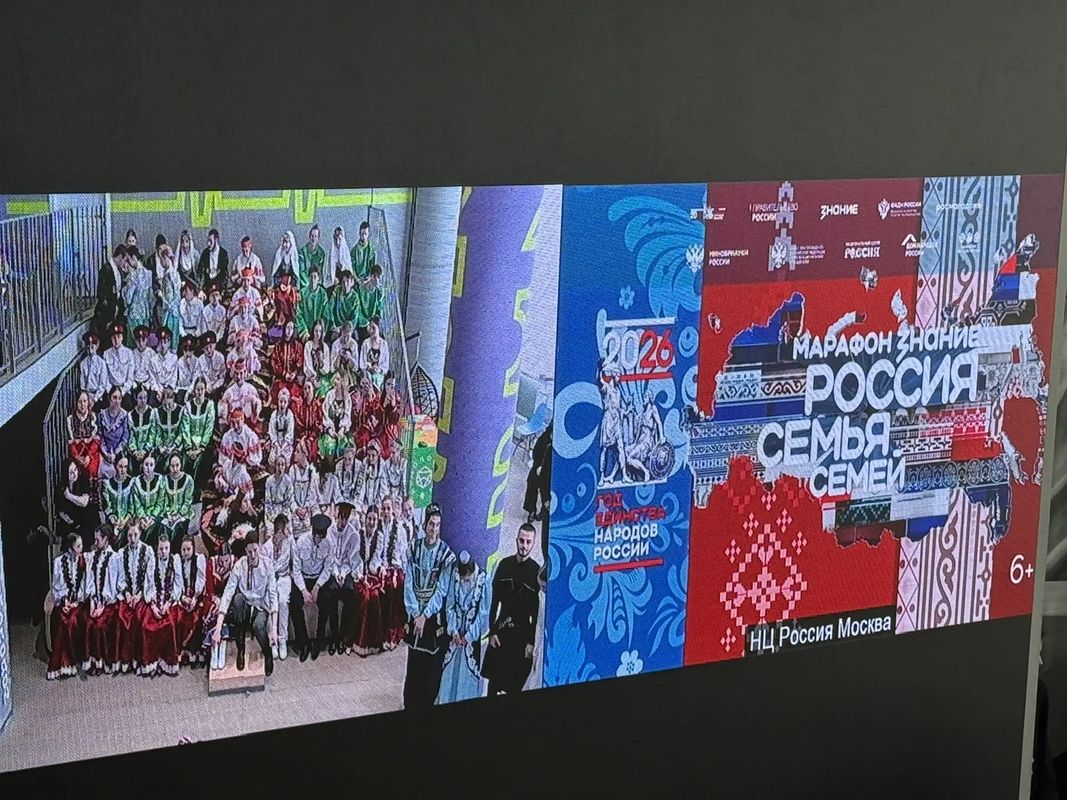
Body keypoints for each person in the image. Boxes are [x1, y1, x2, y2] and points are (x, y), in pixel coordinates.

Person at [402, 505, 455, 708]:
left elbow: (441, 589)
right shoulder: (413, 549)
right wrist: (415, 613)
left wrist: (425, 615)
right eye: (431, 524)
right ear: (425, 525)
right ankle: (409, 704)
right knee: (413, 662)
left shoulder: (445, 555)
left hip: (432, 617)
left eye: (437, 525)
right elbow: (408, 584)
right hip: (414, 612)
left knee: (429, 664)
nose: (434, 529)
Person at [482, 523, 541, 696]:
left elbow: (537, 614)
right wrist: (492, 632)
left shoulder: (536, 572)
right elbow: (493, 602)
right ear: (516, 540)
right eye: (521, 541)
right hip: (501, 634)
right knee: (493, 685)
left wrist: (531, 642)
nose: (524, 545)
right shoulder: (504, 565)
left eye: (528, 542)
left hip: (522, 639)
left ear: (533, 543)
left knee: (516, 687)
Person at [212, 532, 278, 675]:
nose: (253, 555)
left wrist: (274, 628)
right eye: (249, 552)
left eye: (255, 550)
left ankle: (267, 652)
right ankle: (240, 649)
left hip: (260, 605)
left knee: (258, 625)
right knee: (237, 599)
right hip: (245, 605)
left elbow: (273, 595)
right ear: (245, 551)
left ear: (259, 547)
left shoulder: (267, 565)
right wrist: (218, 628)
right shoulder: (239, 565)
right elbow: (227, 594)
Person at [438, 550, 489, 703]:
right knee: (449, 674)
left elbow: (483, 613)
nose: (464, 580)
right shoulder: (455, 577)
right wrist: (454, 630)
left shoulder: (484, 580)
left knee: (468, 679)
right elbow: (450, 606)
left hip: (470, 641)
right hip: (454, 640)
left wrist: (469, 636)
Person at [290, 513, 337, 661]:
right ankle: (303, 642)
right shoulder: (301, 542)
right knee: (294, 604)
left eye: (322, 537)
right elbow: (296, 569)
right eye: (317, 536)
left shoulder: (329, 544)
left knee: (327, 601)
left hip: (319, 578)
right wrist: (303, 590)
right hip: (303, 578)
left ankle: (319, 640)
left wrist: (317, 586)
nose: (319, 540)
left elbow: (328, 568)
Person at [114, 521, 156, 673]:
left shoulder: (148, 551)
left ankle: (139, 659)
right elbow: (120, 577)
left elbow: (149, 577)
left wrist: (139, 595)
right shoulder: (121, 553)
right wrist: (126, 593)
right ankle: (126, 659)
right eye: (130, 535)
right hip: (127, 595)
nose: (132, 538)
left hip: (142, 595)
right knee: (122, 618)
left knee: (139, 618)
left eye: (135, 535)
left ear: (140, 534)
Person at [140, 535, 183, 677]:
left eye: (166, 548)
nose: (163, 551)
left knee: (169, 625)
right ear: (157, 549)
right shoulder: (152, 561)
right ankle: (152, 662)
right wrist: (153, 605)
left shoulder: (175, 560)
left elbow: (178, 584)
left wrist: (168, 603)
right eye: (161, 548)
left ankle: (167, 662)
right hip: (155, 601)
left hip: (170, 602)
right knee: (147, 625)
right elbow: (148, 583)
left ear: (169, 548)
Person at [47, 533, 86, 680]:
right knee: (63, 620)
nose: (81, 548)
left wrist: (77, 600)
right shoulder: (58, 562)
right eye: (78, 546)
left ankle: (74, 661)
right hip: (63, 602)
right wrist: (64, 602)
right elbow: (56, 587)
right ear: (70, 548)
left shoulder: (83, 560)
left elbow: (85, 584)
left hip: (78, 602)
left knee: (73, 621)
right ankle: (63, 664)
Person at [325, 501, 361, 655]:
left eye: (345, 518)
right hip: (332, 570)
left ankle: (343, 637)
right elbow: (329, 557)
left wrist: (343, 574)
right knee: (331, 593)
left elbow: (352, 559)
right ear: (336, 516)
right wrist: (335, 573)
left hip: (346, 570)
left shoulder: (353, 534)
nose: (342, 522)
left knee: (350, 593)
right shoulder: (329, 531)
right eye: (340, 518)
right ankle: (334, 636)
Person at [83, 524, 119, 675]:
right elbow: (89, 581)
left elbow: (113, 587)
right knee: (89, 622)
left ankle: (103, 662)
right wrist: (93, 603)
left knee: (100, 625)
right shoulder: (93, 556)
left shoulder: (114, 558)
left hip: (109, 603)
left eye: (98, 539)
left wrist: (101, 606)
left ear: (106, 539)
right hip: (95, 601)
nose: (95, 542)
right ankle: (93, 661)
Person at [262, 513, 295, 660]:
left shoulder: (289, 541)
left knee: (283, 603)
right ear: (280, 531)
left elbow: (295, 561)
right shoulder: (266, 547)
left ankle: (283, 640)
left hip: (284, 578)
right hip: (270, 581)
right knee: (272, 603)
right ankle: (273, 641)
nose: (290, 531)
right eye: (287, 529)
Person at [380, 496, 408, 649]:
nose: (386, 512)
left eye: (388, 508)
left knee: (393, 586)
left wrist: (399, 571)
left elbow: (402, 554)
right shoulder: (379, 527)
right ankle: (381, 633)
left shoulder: (400, 529)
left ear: (393, 510)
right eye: (384, 508)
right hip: (382, 568)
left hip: (396, 567)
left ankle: (392, 633)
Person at [176, 534, 208, 666]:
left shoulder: (199, 559)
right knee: (179, 618)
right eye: (183, 550)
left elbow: (201, 580)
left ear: (193, 548)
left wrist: (195, 598)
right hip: (183, 596)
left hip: (196, 596)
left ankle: (195, 651)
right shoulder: (178, 561)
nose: (186, 552)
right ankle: (183, 651)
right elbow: (177, 582)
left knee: (196, 619)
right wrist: (182, 597)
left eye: (188, 549)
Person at [179, 376, 216, 488]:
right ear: (194, 390)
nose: (200, 392)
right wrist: (189, 447)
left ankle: (198, 490)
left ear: (205, 390)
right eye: (197, 389)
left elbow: (209, 427)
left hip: (204, 445)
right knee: (185, 461)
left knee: (203, 461)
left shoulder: (210, 405)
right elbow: (185, 427)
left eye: (202, 389)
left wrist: (201, 447)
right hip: (189, 444)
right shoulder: (188, 405)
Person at [58, 459, 100, 546]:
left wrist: (69, 496)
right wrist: (66, 518)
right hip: (71, 521)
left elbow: (84, 502)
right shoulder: (61, 487)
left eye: (75, 470)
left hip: (86, 518)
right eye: (71, 472)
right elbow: (60, 509)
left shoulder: (83, 480)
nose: (74, 474)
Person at [97, 386, 131, 480]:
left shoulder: (124, 415)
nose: (117, 401)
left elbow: (125, 437)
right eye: (114, 398)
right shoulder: (102, 415)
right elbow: (100, 436)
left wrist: (115, 453)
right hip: (104, 453)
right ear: (109, 398)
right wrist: (105, 452)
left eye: (119, 398)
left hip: (119, 452)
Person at [132, 454, 167, 544]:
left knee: (156, 528)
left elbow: (160, 502)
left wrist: (153, 517)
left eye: (151, 465)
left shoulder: (160, 480)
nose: (148, 468)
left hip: (156, 515)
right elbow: (137, 502)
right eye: (146, 465)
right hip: (141, 515)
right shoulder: (137, 481)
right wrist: (142, 517)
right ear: (142, 466)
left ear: (154, 466)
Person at [67, 390, 102, 480]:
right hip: (77, 454)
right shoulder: (70, 419)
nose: (82, 405)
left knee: (91, 469)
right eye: (80, 402)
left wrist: (88, 456)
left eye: (85, 401)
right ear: (76, 403)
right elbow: (70, 443)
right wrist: (77, 457)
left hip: (91, 453)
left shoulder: (93, 417)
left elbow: (96, 441)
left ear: (88, 403)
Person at [219, 360, 262, 432]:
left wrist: (253, 400)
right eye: (237, 373)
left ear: (245, 373)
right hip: (233, 425)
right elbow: (222, 410)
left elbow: (258, 405)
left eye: (241, 373)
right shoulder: (229, 391)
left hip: (248, 424)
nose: (239, 377)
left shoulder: (251, 389)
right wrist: (228, 405)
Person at [94, 244, 127, 339]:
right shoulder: (106, 269)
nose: (124, 263)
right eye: (124, 260)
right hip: (107, 312)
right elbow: (102, 293)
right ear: (120, 257)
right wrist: (108, 315)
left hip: (115, 309)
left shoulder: (118, 270)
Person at [123, 247, 154, 346]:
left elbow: (128, 298)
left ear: (133, 257)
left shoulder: (133, 275)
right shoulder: (148, 274)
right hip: (145, 312)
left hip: (134, 312)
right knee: (144, 341)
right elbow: (150, 297)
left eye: (128, 259)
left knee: (134, 342)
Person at [161, 454, 194, 543]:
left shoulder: (188, 480)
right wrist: (169, 514)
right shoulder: (164, 480)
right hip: (169, 515)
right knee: (163, 529)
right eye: (172, 466)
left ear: (181, 465)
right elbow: (164, 500)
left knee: (177, 530)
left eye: (177, 465)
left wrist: (179, 515)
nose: (175, 469)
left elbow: (188, 501)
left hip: (183, 515)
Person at [288, 441, 319, 539]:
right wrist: (296, 509)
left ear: (304, 454)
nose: (294, 453)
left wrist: (305, 508)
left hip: (307, 508)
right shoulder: (292, 470)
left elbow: (312, 494)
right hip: (295, 508)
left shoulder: (311, 470)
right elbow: (290, 493)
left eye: (297, 451)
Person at [319, 371, 352, 461]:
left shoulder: (347, 398)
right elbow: (325, 412)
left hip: (342, 430)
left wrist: (342, 429)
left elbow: (347, 415)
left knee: (346, 447)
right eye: (335, 378)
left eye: (338, 379)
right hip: (330, 429)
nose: (335, 381)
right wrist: (330, 428)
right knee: (330, 447)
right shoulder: (329, 395)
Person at [270, 320, 304, 407]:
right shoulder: (278, 346)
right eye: (288, 328)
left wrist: (294, 373)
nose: (289, 331)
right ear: (284, 328)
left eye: (291, 328)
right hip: (280, 379)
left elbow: (300, 361)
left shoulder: (298, 346)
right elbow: (275, 362)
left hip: (294, 380)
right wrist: (284, 374)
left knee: (295, 399)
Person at [524, 423, 552, 524]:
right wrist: (538, 464)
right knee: (532, 484)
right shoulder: (544, 438)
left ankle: (543, 511)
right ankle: (531, 511)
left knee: (546, 491)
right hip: (538, 467)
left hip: (549, 471)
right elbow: (536, 451)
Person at [127, 384, 159, 473]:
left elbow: (152, 434)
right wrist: (135, 452)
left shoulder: (152, 412)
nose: (143, 401)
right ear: (135, 398)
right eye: (140, 398)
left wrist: (145, 451)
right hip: (135, 452)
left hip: (148, 450)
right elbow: (131, 436)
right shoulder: (130, 415)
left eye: (145, 397)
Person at [101, 455, 135, 536]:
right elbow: (107, 506)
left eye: (125, 467)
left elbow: (132, 505)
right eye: (120, 467)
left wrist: (125, 520)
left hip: (128, 520)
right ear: (115, 466)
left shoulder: (132, 482)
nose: (123, 470)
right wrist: (113, 519)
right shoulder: (107, 484)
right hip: (112, 520)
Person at [157, 244, 182, 346]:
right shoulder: (175, 273)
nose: (161, 262)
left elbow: (171, 299)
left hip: (170, 313)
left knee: (168, 341)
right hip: (175, 313)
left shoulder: (169, 276)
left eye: (161, 259)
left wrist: (161, 295)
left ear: (166, 258)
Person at [296, 267, 330, 339]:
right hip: (306, 332)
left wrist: (319, 330)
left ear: (318, 279)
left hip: (319, 332)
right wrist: (304, 331)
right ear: (308, 278)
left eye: (315, 277)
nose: (313, 279)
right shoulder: (302, 293)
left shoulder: (323, 294)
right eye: (311, 277)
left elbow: (325, 315)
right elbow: (299, 314)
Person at [155, 384, 185, 466]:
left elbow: (181, 433)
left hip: (176, 447)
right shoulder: (158, 412)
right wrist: (161, 447)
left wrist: (173, 447)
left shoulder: (180, 410)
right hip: (163, 448)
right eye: (166, 398)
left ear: (173, 398)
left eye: (170, 398)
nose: (168, 401)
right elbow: (158, 433)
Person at [102, 324, 135, 396]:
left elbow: (130, 377)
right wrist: (111, 391)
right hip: (111, 389)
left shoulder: (129, 353)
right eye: (114, 337)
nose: (116, 340)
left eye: (118, 336)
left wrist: (122, 391)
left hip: (124, 390)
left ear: (122, 337)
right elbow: (105, 376)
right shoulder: (106, 354)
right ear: (111, 339)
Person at [303, 318, 333, 397]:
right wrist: (313, 377)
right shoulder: (308, 345)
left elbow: (326, 369)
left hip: (322, 377)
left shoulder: (325, 347)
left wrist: (321, 362)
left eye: (320, 331)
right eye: (316, 331)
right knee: (309, 389)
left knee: (322, 391)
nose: (318, 334)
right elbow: (307, 363)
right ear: (313, 331)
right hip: (310, 376)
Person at [267, 388, 296, 467]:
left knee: (285, 460)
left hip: (286, 444)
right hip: (276, 443)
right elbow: (272, 431)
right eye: (281, 401)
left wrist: (283, 446)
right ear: (278, 401)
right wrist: (277, 445)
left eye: (285, 402)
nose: (282, 404)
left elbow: (290, 433)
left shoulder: (290, 415)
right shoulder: (274, 414)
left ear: (288, 403)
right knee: (272, 460)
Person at [79, 332, 109, 406]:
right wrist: (86, 397)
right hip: (87, 396)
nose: (90, 351)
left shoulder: (101, 363)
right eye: (88, 348)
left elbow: (103, 384)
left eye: (92, 347)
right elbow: (82, 384)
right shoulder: (83, 363)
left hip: (98, 396)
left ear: (96, 346)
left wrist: (95, 399)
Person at [264, 453, 295, 524]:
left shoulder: (288, 481)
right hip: (272, 509)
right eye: (278, 464)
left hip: (284, 509)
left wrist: (283, 515)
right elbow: (268, 500)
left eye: (282, 465)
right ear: (275, 466)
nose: (280, 467)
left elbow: (288, 499)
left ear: (285, 467)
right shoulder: (269, 480)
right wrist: (272, 516)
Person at [359, 318, 390, 388]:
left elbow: (385, 365)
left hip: (379, 375)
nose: (371, 331)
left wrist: (378, 369)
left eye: (373, 328)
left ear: (379, 328)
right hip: (367, 374)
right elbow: (362, 362)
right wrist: (369, 368)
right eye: (370, 328)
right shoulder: (365, 343)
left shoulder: (384, 344)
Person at [268, 272, 299, 341]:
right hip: (279, 321)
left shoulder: (293, 292)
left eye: (289, 278)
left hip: (290, 321)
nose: (287, 280)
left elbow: (295, 308)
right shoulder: (276, 292)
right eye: (285, 278)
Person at [197, 229, 229, 294]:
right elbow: (200, 272)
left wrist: (222, 289)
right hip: (207, 286)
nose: (208, 244)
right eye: (208, 241)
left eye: (210, 241)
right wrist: (200, 289)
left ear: (216, 240)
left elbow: (225, 274)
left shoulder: (223, 254)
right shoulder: (205, 253)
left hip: (219, 287)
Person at [130, 326, 159, 397]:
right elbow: (129, 373)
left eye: (143, 340)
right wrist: (134, 384)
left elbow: (154, 373)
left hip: (148, 384)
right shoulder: (131, 354)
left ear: (147, 339)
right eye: (138, 340)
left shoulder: (152, 354)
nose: (141, 343)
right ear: (135, 340)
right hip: (134, 384)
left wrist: (147, 385)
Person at [298, 225, 326, 294]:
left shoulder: (321, 253)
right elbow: (301, 271)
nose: (313, 239)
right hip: (304, 283)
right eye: (312, 236)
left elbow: (320, 271)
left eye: (315, 236)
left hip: (316, 282)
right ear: (309, 236)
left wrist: (315, 283)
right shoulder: (302, 251)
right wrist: (308, 284)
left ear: (318, 238)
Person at [197, 331, 227, 395]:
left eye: (211, 346)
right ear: (202, 349)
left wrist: (215, 386)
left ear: (215, 345)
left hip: (218, 386)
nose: (209, 350)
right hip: (205, 388)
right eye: (206, 348)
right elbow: (200, 376)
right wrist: (207, 385)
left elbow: (222, 376)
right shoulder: (200, 360)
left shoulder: (220, 357)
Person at [176, 334, 202, 403]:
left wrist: (189, 391)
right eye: (186, 348)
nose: (188, 351)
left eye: (190, 349)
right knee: (180, 397)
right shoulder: (180, 361)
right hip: (182, 388)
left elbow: (195, 378)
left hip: (192, 388)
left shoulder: (197, 361)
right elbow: (183, 380)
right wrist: (185, 360)